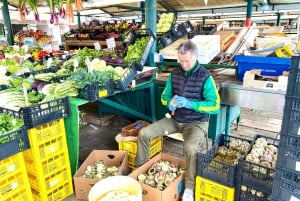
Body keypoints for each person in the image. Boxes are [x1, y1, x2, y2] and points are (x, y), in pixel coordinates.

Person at [135, 39, 220, 201]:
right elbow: (164, 97)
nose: (183, 65)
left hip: (196, 122)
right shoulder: (174, 74)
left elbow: (215, 105)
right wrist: (170, 103)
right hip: (175, 119)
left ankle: (189, 188)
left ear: (195, 57)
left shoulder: (205, 77)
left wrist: (191, 104)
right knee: (144, 134)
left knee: (190, 148)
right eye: (180, 61)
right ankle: (140, 172)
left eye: (186, 61)